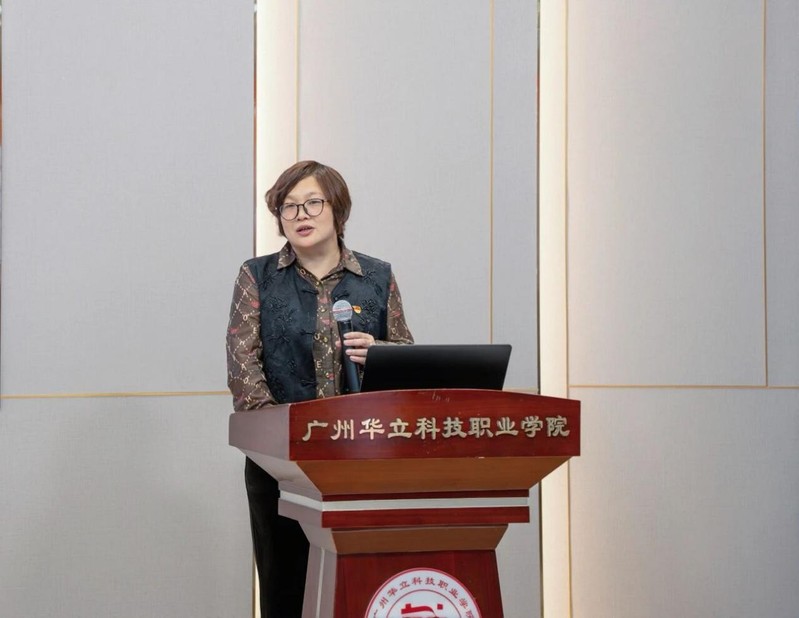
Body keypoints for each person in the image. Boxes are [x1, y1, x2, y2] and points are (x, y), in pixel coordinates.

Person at [225, 160, 414, 617]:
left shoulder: (376, 277)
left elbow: (408, 360)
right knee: (286, 590)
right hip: (281, 465)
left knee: (361, 589)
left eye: (312, 202)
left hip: (363, 459)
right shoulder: (258, 276)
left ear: (337, 209)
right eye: (288, 207)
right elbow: (243, 367)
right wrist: (282, 443)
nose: (300, 215)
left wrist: (380, 352)